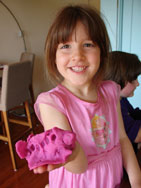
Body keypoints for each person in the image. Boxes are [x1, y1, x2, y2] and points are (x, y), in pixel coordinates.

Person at [33, 5, 141, 188]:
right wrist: (69, 153)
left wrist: (136, 180)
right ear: (53, 55)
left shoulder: (111, 91)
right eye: (66, 46)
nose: (77, 56)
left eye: (88, 45)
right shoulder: (51, 103)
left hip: (111, 178)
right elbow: (79, 167)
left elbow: (122, 138)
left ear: (101, 52)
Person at [105, 51, 141, 153]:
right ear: (117, 79)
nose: (137, 84)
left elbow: (134, 115)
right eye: (133, 79)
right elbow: (137, 135)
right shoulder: (112, 106)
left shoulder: (122, 100)